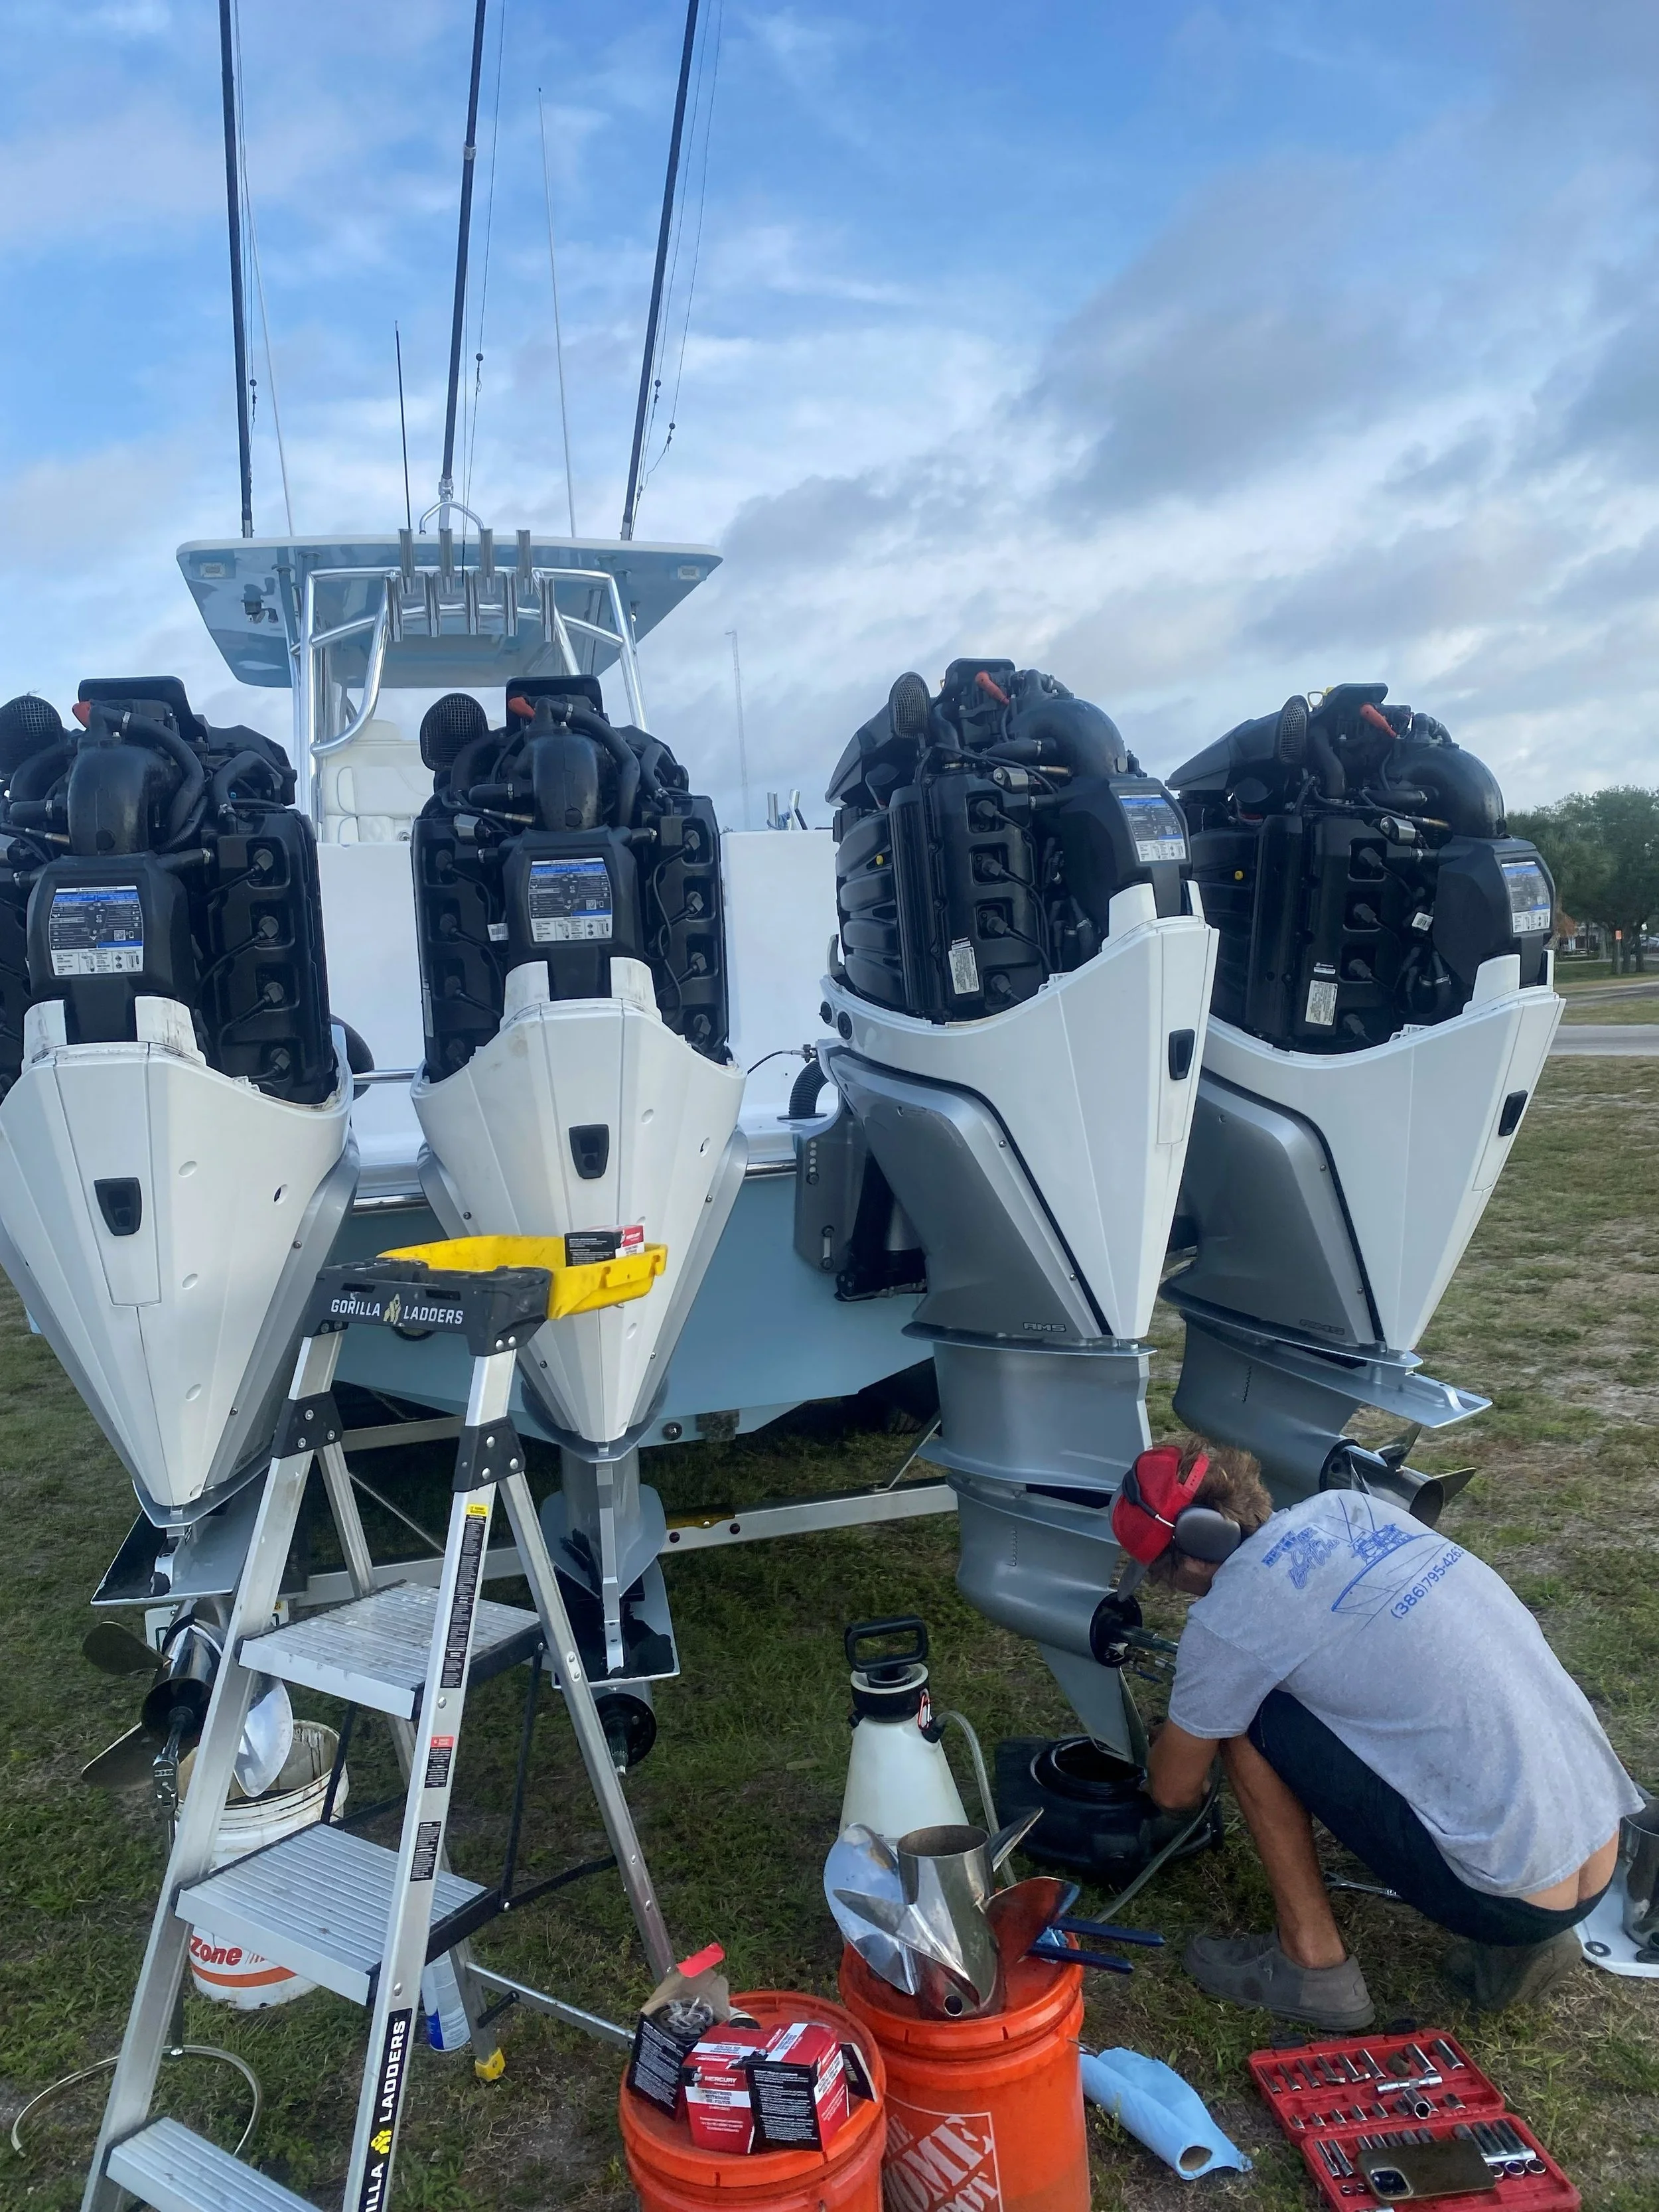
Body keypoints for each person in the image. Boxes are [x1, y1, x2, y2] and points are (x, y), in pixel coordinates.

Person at [1118, 1435, 1640, 2028]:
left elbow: (1173, 1791)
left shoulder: (1232, 1616)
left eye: (1162, 1573)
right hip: (1599, 1843)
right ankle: (1530, 1942)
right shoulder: (1353, 1510)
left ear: (1191, 1549)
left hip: (1508, 1897)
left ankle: (1312, 1965)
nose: (1170, 1589)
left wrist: (1181, 1738)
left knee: (1244, 1719)